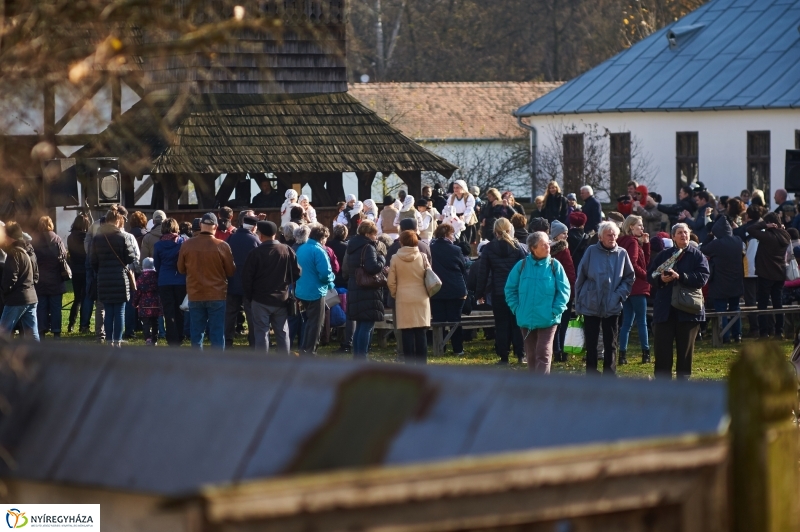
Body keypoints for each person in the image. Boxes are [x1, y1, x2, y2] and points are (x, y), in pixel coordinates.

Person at [648, 223, 710, 379]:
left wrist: (680, 276)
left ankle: (683, 384)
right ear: (673, 236)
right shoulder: (664, 255)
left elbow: (703, 277)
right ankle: (663, 384)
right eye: (680, 233)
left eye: (686, 232)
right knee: (662, 350)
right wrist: (661, 279)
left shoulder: (697, 256)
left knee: (685, 352)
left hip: (688, 311)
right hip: (665, 310)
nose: (684, 235)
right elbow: (651, 275)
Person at [504, 231, 570, 373]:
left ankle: (542, 387)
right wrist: (517, 308)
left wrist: (556, 310)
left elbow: (564, 290)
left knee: (543, 352)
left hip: (548, 318)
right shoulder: (521, 266)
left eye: (548, 243)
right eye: (544, 244)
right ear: (533, 248)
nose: (548, 247)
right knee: (532, 355)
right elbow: (510, 289)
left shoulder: (555, 265)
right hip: (526, 318)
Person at [574, 221, 635, 376]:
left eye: (615, 234)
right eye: (609, 234)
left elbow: (629, 277)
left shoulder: (622, 253)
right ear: (600, 237)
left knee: (611, 342)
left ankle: (610, 373)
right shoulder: (591, 251)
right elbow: (581, 276)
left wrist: (619, 295)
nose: (612, 237)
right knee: (591, 341)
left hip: (612, 302)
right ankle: (591, 372)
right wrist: (579, 299)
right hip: (591, 301)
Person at [177, 212, 236, 349]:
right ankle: (217, 365)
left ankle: (198, 366)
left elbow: (180, 269)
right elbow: (231, 271)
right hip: (217, 294)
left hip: (195, 293)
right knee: (217, 333)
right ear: (215, 226)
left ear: (201, 225)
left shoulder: (187, 245)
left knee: (197, 333)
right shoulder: (222, 246)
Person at [242, 220, 301, 355]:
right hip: (281, 298)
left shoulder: (255, 253)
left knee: (261, 333)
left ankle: (263, 365)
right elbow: (297, 272)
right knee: (282, 332)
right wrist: (285, 283)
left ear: (260, 235)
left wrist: (250, 296)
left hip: (260, 299)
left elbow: (247, 279)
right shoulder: (287, 250)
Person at [475, 218, 527, 365]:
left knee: (501, 325)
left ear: (495, 231)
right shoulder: (517, 247)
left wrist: (480, 293)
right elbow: (525, 269)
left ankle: (503, 356)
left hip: (499, 292)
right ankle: (520, 354)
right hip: (516, 291)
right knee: (517, 324)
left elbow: (483, 273)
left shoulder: (489, 248)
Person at [91, 206, 137, 347]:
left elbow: (92, 261)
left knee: (108, 311)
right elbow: (130, 258)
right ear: (118, 220)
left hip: (104, 278)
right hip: (120, 278)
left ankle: (109, 340)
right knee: (120, 311)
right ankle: (117, 341)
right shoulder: (122, 237)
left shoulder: (97, 238)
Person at [387, 230, 432, 364]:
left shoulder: (395, 258)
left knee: (406, 332)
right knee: (420, 332)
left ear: (401, 241)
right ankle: (422, 364)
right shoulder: (423, 256)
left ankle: (409, 364)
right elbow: (429, 275)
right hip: (421, 297)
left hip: (403, 297)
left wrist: (396, 293)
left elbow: (391, 281)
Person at [344, 220, 385, 359]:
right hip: (367, 289)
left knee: (360, 325)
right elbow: (372, 267)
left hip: (354, 286)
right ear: (368, 234)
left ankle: (357, 356)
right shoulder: (368, 247)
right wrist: (381, 259)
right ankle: (362, 357)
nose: (376, 237)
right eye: (374, 234)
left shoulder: (352, 246)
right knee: (366, 326)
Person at [748, 212, 791, 339]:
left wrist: (764, 224)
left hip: (765, 273)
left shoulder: (767, 236)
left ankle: (764, 332)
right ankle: (779, 331)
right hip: (780, 273)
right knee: (778, 303)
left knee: (763, 304)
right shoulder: (785, 235)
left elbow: (750, 229)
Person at [701, 216, 744, 344]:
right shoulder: (737, 240)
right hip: (736, 281)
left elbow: (703, 249)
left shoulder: (716, 244)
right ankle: (738, 335)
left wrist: (709, 236)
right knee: (735, 308)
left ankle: (725, 336)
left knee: (721, 310)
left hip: (720, 282)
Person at [295, 224, 335, 356]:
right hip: (315, 291)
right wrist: (331, 279)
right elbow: (325, 273)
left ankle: (304, 349)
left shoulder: (302, 248)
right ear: (322, 238)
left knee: (308, 322)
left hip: (302, 290)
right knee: (316, 324)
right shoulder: (319, 251)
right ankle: (310, 351)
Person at [617, 215, 651, 364]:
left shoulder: (623, 241)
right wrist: (647, 276)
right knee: (641, 321)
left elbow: (644, 262)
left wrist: (646, 244)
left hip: (626, 287)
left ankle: (622, 355)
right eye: (639, 225)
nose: (642, 228)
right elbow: (633, 263)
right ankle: (646, 353)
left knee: (626, 323)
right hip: (637, 286)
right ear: (631, 226)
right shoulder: (632, 242)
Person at [430, 223, 468, 355]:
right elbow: (463, 267)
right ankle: (458, 349)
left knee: (438, 320)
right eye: (452, 234)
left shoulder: (431, 249)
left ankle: (440, 348)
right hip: (455, 288)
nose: (454, 236)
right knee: (455, 320)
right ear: (447, 235)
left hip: (436, 289)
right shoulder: (456, 250)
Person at [224, 213, 260, 348]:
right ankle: (253, 341)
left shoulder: (231, 238)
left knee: (230, 314)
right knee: (251, 314)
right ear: (254, 227)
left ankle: (227, 341)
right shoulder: (254, 240)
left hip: (232, 282)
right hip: (249, 284)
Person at [0, 222, 39, 340]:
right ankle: (39, 355)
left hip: (16, 299)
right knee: (33, 333)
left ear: (9, 237)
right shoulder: (29, 250)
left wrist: (4, 292)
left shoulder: (14, 253)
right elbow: (36, 274)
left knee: (3, 332)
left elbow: (11, 277)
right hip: (31, 297)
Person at [153, 218, 186, 347]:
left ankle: (171, 337)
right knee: (180, 309)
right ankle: (180, 335)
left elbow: (157, 264)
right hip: (180, 279)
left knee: (168, 310)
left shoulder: (158, 245)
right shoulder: (182, 242)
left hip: (164, 280)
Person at [32, 216, 67, 338]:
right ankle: (56, 331)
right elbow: (63, 256)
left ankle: (41, 330)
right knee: (56, 307)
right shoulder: (57, 239)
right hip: (56, 278)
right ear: (51, 224)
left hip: (40, 279)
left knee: (41, 306)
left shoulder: (35, 241)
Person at [548, 220, 576, 363]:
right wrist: (572, 291)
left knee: (553, 324)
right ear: (557, 235)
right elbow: (570, 272)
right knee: (563, 323)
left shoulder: (546, 250)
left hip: (550, 291)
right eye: (563, 233)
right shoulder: (564, 250)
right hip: (564, 291)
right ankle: (562, 352)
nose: (566, 236)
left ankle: (555, 350)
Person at [67, 213, 91, 334]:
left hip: (75, 270)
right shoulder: (87, 237)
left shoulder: (70, 237)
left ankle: (71, 324)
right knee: (86, 297)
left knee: (77, 299)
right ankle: (83, 325)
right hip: (86, 269)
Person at [134, 257, 162, 345]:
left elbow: (137, 292)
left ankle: (148, 338)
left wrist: (135, 302)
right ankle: (155, 339)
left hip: (144, 305)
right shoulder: (157, 276)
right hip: (156, 304)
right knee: (155, 322)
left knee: (146, 323)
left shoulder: (141, 278)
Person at [443, 180, 477, 244]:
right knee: (455, 239)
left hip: (466, 219)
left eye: (457, 187)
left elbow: (470, 208)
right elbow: (447, 207)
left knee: (465, 239)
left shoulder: (469, 196)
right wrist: (444, 214)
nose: (455, 189)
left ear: (462, 187)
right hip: (455, 219)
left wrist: (464, 216)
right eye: (454, 187)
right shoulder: (452, 197)